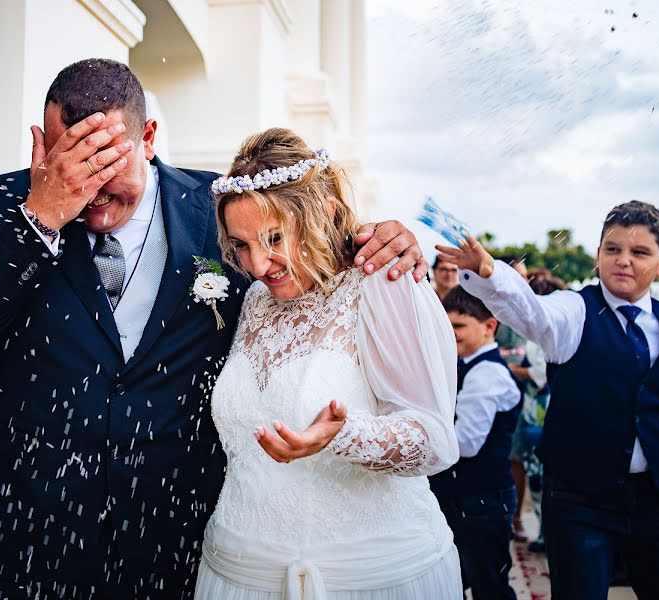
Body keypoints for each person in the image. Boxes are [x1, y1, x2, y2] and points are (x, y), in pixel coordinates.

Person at [0, 59, 428, 600]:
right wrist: (39, 217)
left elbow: (308, 258)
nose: (90, 189)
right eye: (72, 158)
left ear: (150, 138)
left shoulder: (223, 209)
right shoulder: (4, 203)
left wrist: (382, 239)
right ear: (43, 143)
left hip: (175, 547)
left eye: (105, 162)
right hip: (28, 549)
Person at [437, 200, 659, 600]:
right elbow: (532, 313)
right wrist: (491, 272)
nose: (623, 261)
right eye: (612, 249)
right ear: (598, 256)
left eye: (639, 252)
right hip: (579, 502)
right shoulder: (575, 309)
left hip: (652, 498)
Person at [194, 128, 463, 599]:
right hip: (239, 572)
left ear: (326, 213)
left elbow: (435, 441)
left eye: (274, 237)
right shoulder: (256, 299)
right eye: (241, 245)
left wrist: (346, 435)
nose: (258, 264)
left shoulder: (384, 281)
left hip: (363, 577)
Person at [429, 287, 521, 600]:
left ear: (489, 326)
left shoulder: (487, 374)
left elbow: (466, 443)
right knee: (457, 580)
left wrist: (418, 443)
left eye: (459, 326)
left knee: (488, 586)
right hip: (464, 498)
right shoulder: (465, 365)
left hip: (480, 501)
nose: (451, 333)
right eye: (447, 325)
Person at [507, 269, 567, 553]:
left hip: (544, 409)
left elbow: (541, 372)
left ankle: (549, 530)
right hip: (535, 409)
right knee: (535, 470)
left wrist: (513, 369)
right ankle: (547, 528)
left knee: (542, 470)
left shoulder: (546, 334)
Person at [494, 254, 529, 541]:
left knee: (516, 456)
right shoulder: (490, 306)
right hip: (490, 385)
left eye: (525, 277)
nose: (524, 282)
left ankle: (516, 516)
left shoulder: (526, 310)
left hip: (522, 391)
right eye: (519, 276)